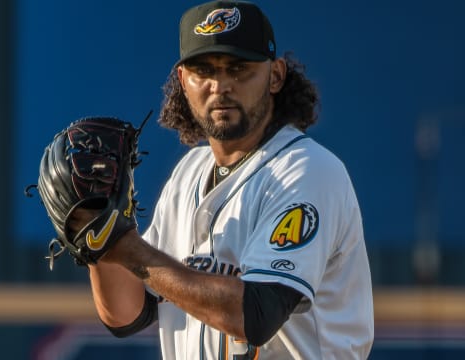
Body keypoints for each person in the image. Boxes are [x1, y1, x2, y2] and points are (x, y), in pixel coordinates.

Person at [82, 1, 374, 358]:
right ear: (183, 82)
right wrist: (99, 238)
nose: (220, 86)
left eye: (238, 69)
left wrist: (130, 250)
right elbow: (128, 314)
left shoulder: (309, 170)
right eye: (203, 70)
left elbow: (257, 313)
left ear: (276, 76)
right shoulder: (187, 173)